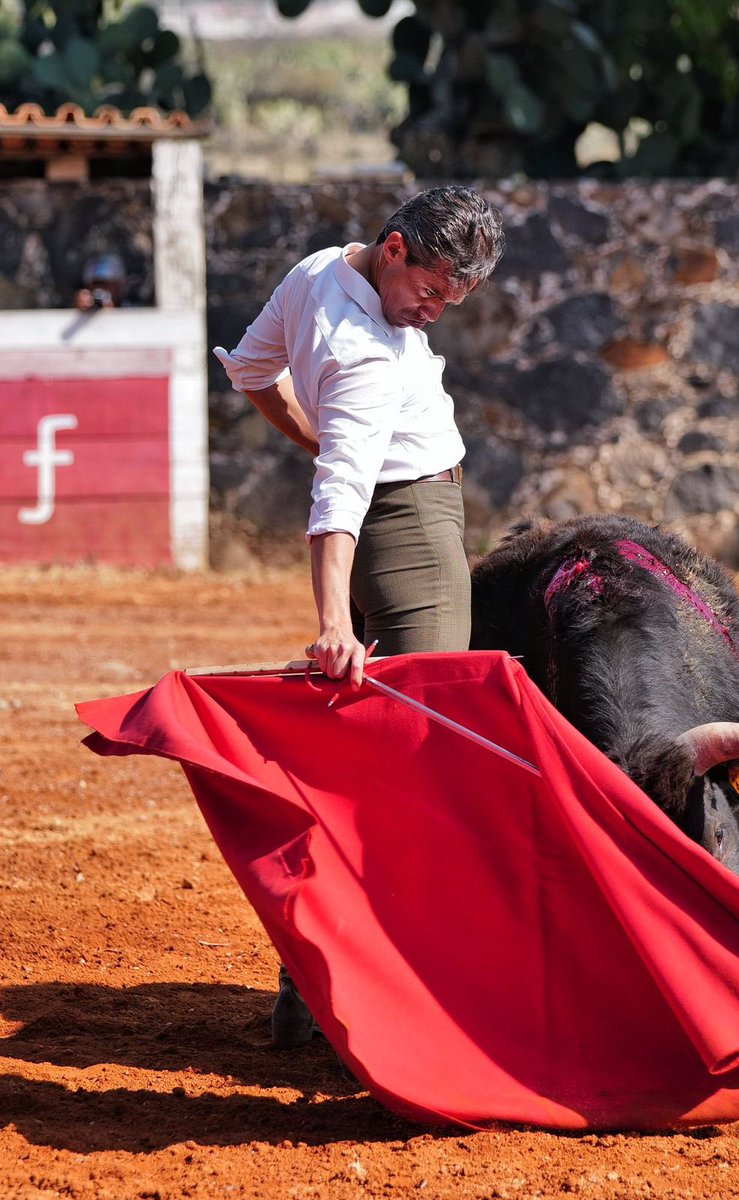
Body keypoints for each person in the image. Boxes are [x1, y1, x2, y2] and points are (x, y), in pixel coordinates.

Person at [214, 185, 505, 1047]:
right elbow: (338, 498)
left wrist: (308, 431)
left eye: (452, 301)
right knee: (426, 754)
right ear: (394, 248)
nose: (434, 312)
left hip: (391, 511)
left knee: (360, 747)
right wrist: (333, 624)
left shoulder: (315, 271)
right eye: (431, 290)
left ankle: (306, 988)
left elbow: (250, 369)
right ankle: (396, 994)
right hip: (408, 527)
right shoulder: (368, 350)